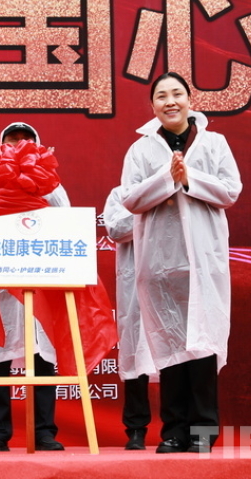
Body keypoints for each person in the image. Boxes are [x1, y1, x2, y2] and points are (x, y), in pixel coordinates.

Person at [118, 72, 241, 454]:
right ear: (152, 105)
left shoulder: (215, 143)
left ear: (190, 99)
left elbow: (231, 191)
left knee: (202, 347)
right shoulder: (140, 149)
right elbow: (130, 199)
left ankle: (202, 432)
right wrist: (167, 178)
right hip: (160, 264)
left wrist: (189, 178)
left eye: (176, 94)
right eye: (161, 96)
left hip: (204, 261)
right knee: (169, 348)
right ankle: (173, 431)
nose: (170, 102)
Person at [0, 123, 67, 453]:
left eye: (26, 140)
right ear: (1, 145)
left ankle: (44, 432)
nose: (19, 144)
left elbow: (66, 222)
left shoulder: (50, 180)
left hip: (40, 281)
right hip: (0, 282)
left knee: (42, 357)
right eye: (12, 140)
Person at [102, 186, 156, 451]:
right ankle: (136, 429)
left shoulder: (183, 188)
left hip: (176, 280)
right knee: (137, 355)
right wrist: (150, 202)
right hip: (137, 283)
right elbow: (116, 229)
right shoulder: (121, 194)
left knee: (181, 358)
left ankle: (180, 428)